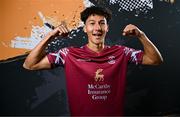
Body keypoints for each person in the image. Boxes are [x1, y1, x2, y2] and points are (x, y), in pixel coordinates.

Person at [23, 6, 163, 116]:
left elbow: (155, 60)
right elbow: (30, 64)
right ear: (85, 28)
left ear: (107, 28)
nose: (97, 28)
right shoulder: (68, 54)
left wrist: (141, 35)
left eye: (102, 23)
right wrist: (51, 36)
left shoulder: (121, 52)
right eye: (92, 23)